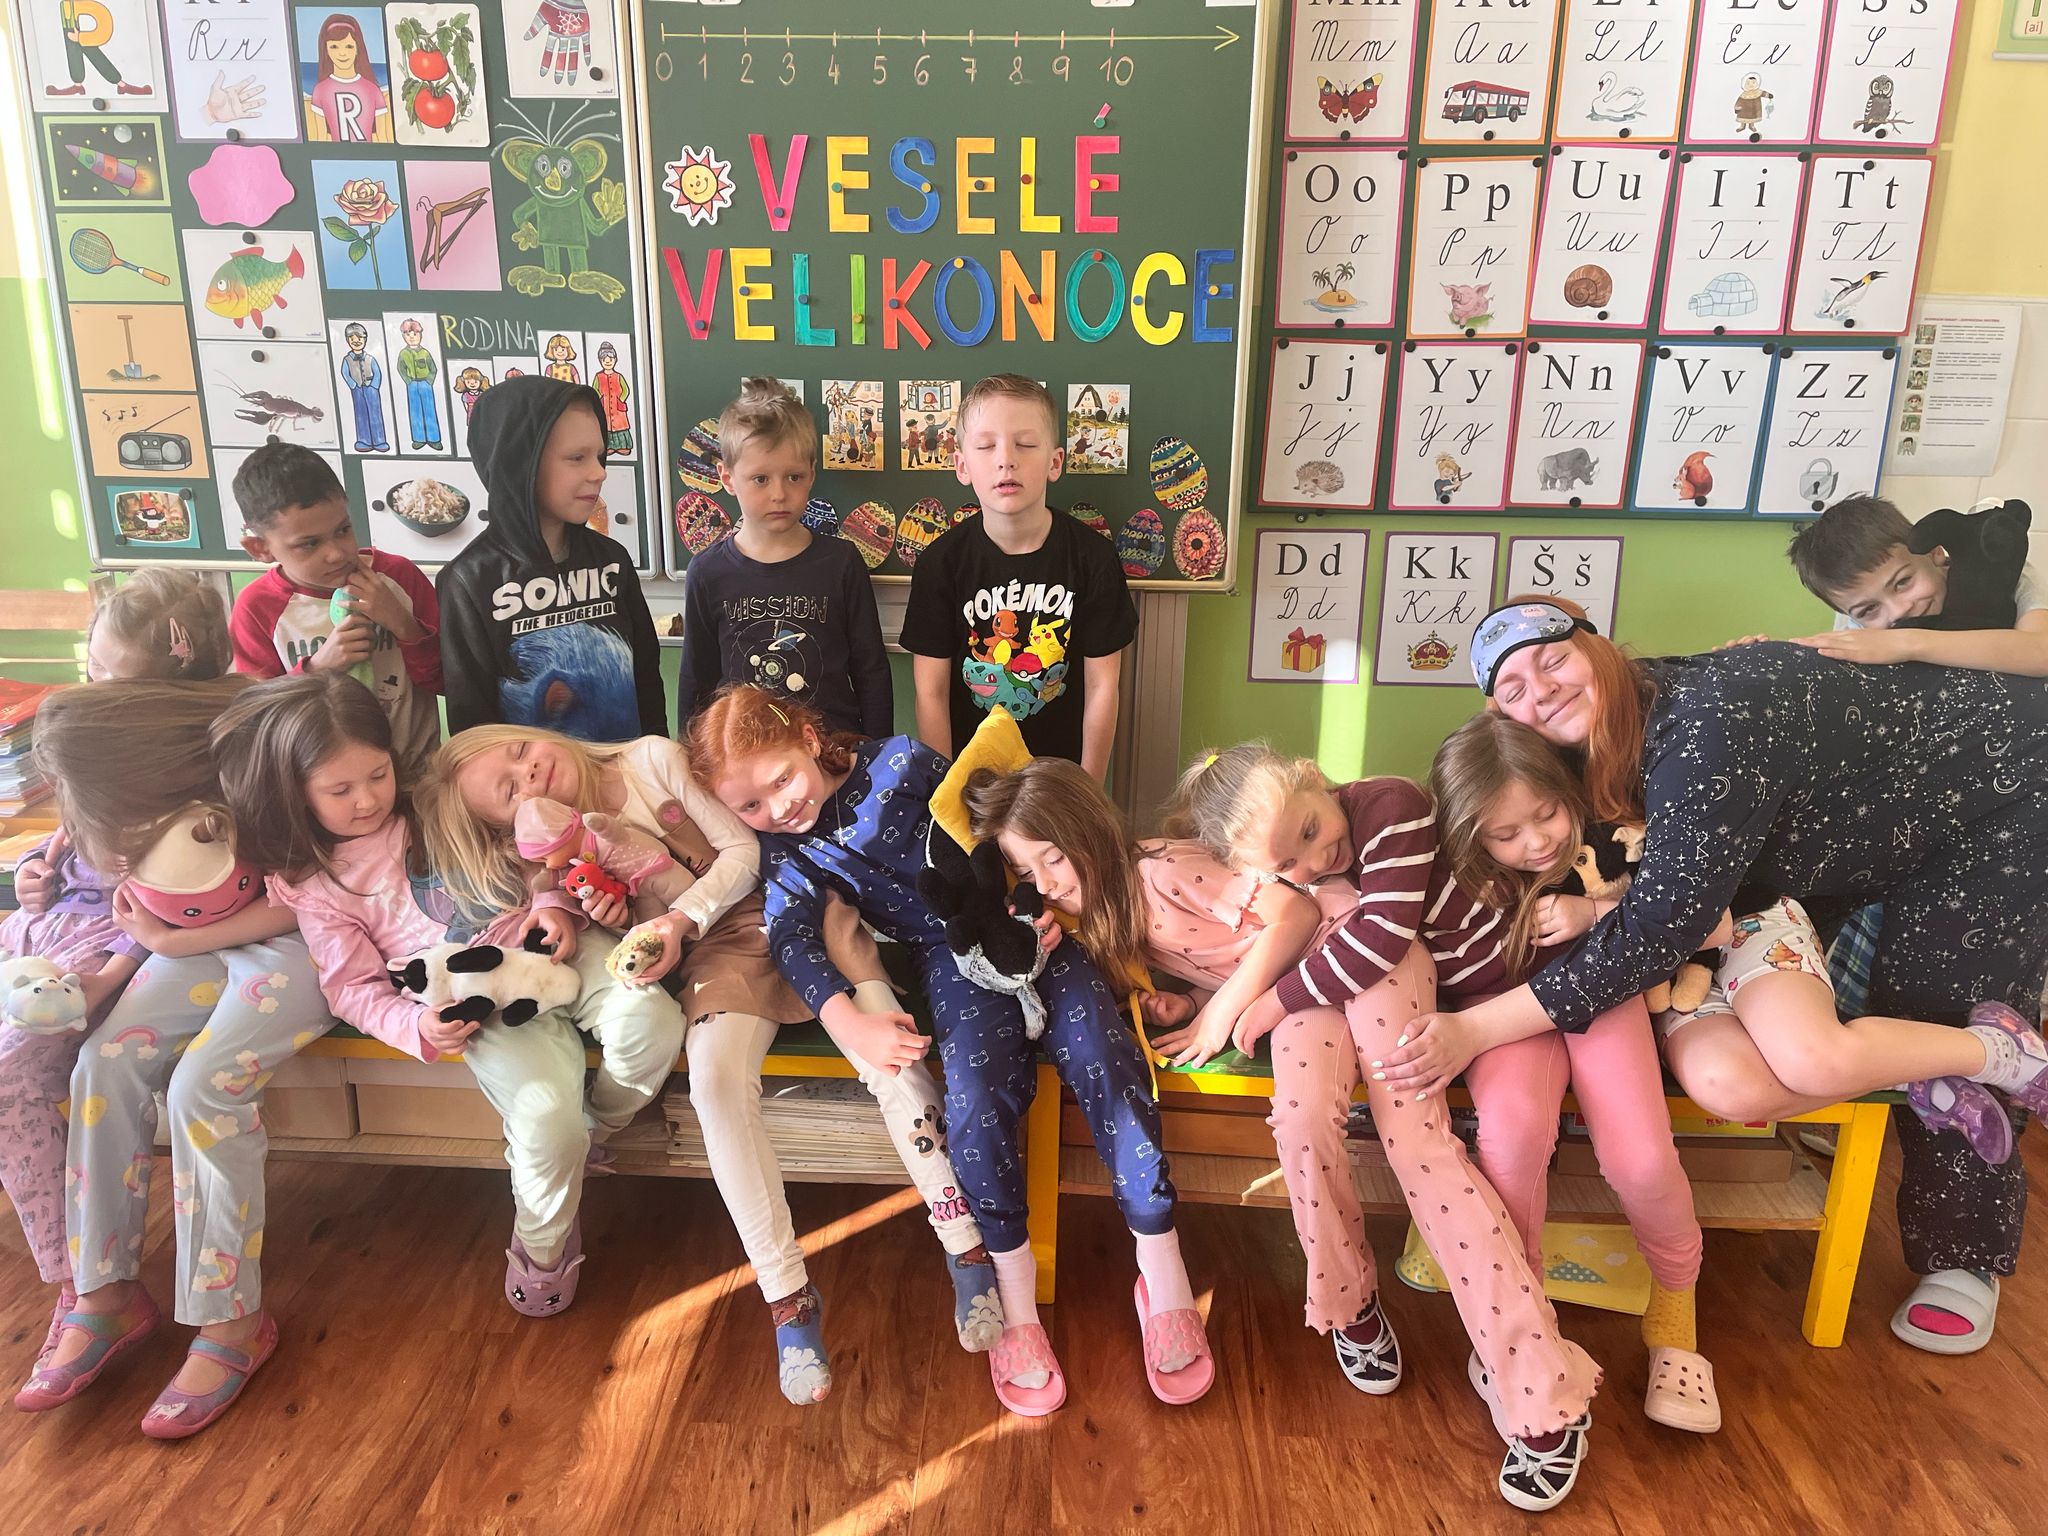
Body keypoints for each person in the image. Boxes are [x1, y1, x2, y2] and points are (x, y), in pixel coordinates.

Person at [1380, 597, 2048, 1359]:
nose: (1543, 689)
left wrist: (1476, 1026)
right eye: (1513, 689)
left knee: (1910, 1012)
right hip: (1792, 868)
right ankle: (1927, 1073)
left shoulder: (1704, 724)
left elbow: (1664, 927)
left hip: (1989, 795)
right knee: (1742, 1084)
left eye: (1554, 659)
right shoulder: (1562, 751)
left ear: (1598, 646)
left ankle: (1975, 1174)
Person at [1056, 743, 1605, 1512]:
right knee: (1301, 1122)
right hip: (1307, 988)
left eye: (1312, 833)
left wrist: (1260, 1001)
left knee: (1419, 1145)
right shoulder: (1249, 871)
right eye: (1292, 860)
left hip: (1376, 968)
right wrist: (1204, 999)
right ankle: (1349, 1306)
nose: (1317, 859)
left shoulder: (1385, 806)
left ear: (1313, 777)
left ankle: (1541, 1388)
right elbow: (1257, 935)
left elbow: (1366, 936)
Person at [431, 720, 1001, 1403]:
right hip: (717, 956)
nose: (529, 773)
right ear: (506, 827)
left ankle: (963, 1242)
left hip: (802, 905)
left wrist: (677, 919)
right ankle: (787, 1296)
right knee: (715, 1084)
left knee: (887, 1053)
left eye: (521, 751)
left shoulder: (649, 760)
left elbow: (744, 852)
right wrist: (620, 919)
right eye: (509, 790)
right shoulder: (554, 859)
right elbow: (631, 933)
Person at [690, 686, 1210, 1419]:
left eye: (781, 781)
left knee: (1105, 1053)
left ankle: (1163, 1271)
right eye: (750, 806)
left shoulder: (902, 763)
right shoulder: (789, 852)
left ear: (808, 738)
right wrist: (849, 1024)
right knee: (974, 1096)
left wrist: (1041, 900)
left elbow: (1002, 816)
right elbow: (792, 940)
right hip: (950, 958)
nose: (777, 808)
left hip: (1029, 921)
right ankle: (1014, 1303)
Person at [217, 672, 680, 1325]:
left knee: (652, 1022)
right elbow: (351, 989)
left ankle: (597, 1129)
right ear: (295, 794)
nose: (367, 800)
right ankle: (543, 1248)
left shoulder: (434, 803)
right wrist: (418, 1029)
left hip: (557, 951)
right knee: (546, 1122)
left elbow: (535, 857)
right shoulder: (316, 886)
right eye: (340, 790)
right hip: (481, 1006)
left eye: (377, 775)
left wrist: (555, 907)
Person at [18, 677, 334, 1439]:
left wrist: (173, 940)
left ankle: (233, 1321)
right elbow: (132, 906)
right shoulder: (152, 814)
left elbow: (315, 897)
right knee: (103, 1063)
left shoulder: (261, 772)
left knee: (205, 1087)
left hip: (302, 944)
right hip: (188, 948)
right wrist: (132, 956)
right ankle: (104, 1293)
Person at [1428, 714, 1718, 1434]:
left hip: (1603, 997)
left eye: (1547, 813)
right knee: (1510, 1142)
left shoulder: (1616, 836)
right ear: (1471, 835)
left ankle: (1676, 1309)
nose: (1537, 842)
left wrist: (1596, 909)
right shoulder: (1459, 874)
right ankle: (1520, 1322)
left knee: (1641, 1158)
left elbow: (1709, 920)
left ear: (1568, 791)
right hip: (1507, 1015)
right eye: (1506, 833)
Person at [0, 572, 231, 1394]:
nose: (96, 689)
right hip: (54, 929)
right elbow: (69, 839)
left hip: (125, 943)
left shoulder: (203, 758)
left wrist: (108, 975)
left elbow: (175, 900)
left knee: (23, 1073)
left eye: (115, 679)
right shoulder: (95, 740)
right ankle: (92, 1286)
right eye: (92, 669)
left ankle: (90, 1289)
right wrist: (35, 871)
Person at [900, 374, 1135, 779]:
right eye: (986, 446)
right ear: (961, 465)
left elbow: (1102, 688)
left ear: (1055, 462)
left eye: (1025, 444)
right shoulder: (940, 564)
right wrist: (944, 790)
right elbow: (930, 692)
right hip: (973, 783)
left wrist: (1088, 789)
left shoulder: (1092, 559)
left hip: (1058, 782)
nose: (1006, 459)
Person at [436, 375, 665, 741]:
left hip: (625, 771)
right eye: (577, 458)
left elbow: (647, 682)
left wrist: (658, 758)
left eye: (599, 456)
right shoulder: (468, 581)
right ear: (520, 464)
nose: (600, 473)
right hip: (532, 777)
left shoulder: (613, 561)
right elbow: (474, 728)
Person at [677, 378, 891, 738]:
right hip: (746, 758)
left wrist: (880, 753)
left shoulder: (841, 563)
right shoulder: (707, 572)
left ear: (811, 474)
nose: (779, 494)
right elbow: (696, 681)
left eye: (794, 477)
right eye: (760, 479)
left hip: (833, 754)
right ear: (727, 477)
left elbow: (871, 670)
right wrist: (691, 757)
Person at [228, 441, 441, 775]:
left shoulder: (398, 577)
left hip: (418, 776)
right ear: (260, 549)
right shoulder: (257, 608)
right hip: (325, 789)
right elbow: (257, 719)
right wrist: (316, 669)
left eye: (343, 530)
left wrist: (403, 625)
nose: (337, 553)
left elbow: (448, 681)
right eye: (309, 544)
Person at [1786, 494, 2048, 675]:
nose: (1899, 611)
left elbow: (2041, 652)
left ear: (1935, 552)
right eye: (1869, 610)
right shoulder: (1859, 624)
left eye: (1902, 582)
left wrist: (1907, 643)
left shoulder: (2000, 571)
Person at [303, 12, 391, 143]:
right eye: (334, 47)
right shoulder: (321, 90)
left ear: (357, 48)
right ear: (326, 50)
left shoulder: (372, 90)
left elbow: (383, 138)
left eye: (349, 46)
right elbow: (320, 139)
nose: (342, 53)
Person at [338, 323, 390, 453]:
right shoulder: (347, 359)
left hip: (371, 389)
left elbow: (377, 373)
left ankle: (379, 440)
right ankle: (364, 440)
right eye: (352, 339)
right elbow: (345, 373)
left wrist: (374, 386)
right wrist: (353, 385)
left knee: (375, 414)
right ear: (348, 340)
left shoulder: (370, 358)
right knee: (361, 414)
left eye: (359, 338)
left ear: (365, 339)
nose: (356, 341)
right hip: (357, 390)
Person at [394, 319, 443, 452]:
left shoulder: (425, 353)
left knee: (429, 410)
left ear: (420, 335)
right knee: (415, 411)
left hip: (425, 384)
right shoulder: (403, 353)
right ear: (403, 336)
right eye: (408, 334)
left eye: (415, 334)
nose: (412, 337)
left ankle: (434, 439)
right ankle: (419, 439)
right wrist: (408, 381)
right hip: (412, 385)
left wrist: (429, 381)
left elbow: (433, 369)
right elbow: (401, 368)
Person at [591, 342, 632, 455]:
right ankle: (609, 447)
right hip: (605, 407)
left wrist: (621, 399)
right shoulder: (598, 376)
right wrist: (600, 398)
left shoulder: (618, 376)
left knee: (620, 425)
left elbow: (625, 389)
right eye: (604, 360)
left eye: (610, 359)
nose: (608, 362)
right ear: (601, 361)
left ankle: (622, 446)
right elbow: (594, 389)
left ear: (615, 360)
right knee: (607, 426)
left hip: (618, 408)